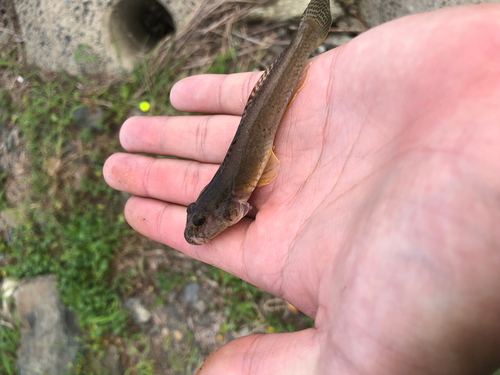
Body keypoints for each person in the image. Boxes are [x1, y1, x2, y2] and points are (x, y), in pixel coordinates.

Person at [104, 4, 500, 374]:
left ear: (221, 210)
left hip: (263, 119)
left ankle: (311, 28)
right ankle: (309, 30)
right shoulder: (227, 203)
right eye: (198, 224)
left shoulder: (229, 203)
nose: (197, 231)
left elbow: (236, 204)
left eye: (200, 221)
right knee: (294, 57)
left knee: (302, 44)